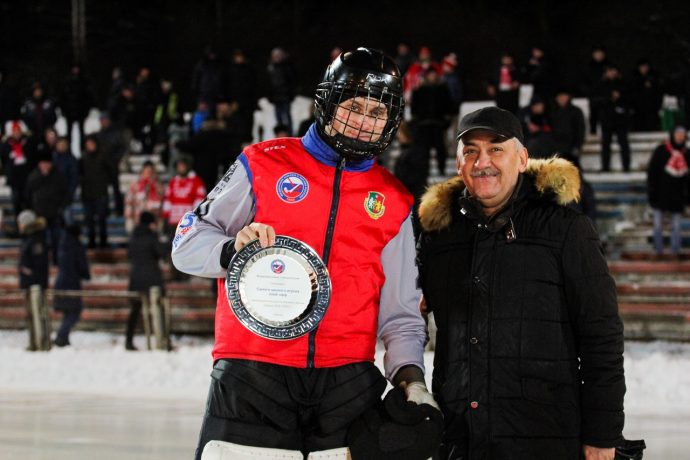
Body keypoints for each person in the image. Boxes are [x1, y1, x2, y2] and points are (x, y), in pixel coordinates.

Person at [171, 47, 440, 460]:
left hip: (346, 389)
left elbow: (401, 313)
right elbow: (187, 243)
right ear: (328, 103)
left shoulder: (394, 199)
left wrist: (410, 377)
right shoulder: (262, 164)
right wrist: (231, 251)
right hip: (252, 376)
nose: (365, 122)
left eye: (377, 113)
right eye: (355, 107)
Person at [416, 106, 626, 460]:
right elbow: (410, 314)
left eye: (496, 148)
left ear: (523, 158)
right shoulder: (437, 238)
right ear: (458, 164)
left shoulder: (566, 230)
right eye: (471, 151)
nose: (483, 161)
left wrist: (603, 435)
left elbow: (601, 336)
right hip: (461, 437)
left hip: (545, 435)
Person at [646, 125, 690, 258]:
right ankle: (658, 252)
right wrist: (651, 191)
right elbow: (652, 172)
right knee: (658, 225)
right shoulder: (661, 150)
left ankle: (675, 252)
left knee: (676, 226)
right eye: (678, 133)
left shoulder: (687, 153)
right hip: (660, 194)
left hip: (678, 197)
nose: (680, 136)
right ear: (672, 134)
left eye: (682, 133)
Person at [126, 211, 166, 351]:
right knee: (159, 308)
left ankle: (128, 341)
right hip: (152, 277)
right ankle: (163, 339)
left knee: (135, 311)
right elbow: (161, 252)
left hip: (136, 278)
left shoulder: (134, 236)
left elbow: (129, 254)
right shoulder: (152, 236)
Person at [53, 224, 90, 347]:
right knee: (74, 311)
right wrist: (86, 274)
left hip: (61, 281)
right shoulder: (76, 246)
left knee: (69, 311)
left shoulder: (63, 244)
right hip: (71, 282)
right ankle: (61, 337)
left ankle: (63, 337)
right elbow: (81, 264)